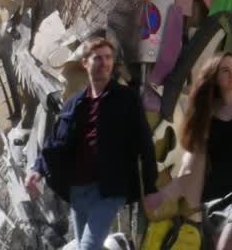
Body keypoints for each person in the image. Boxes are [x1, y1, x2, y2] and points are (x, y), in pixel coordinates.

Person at [26, 36, 160, 250]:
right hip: (78, 191)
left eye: (108, 58)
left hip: (110, 189)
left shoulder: (126, 98)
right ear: (85, 63)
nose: (104, 63)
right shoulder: (74, 104)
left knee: (88, 247)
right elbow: (55, 142)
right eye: (98, 58)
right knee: (84, 247)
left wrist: (151, 187)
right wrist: (37, 169)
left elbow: (144, 142)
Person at [145, 52, 232, 250]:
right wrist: (163, 196)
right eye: (225, 70)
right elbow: (191, 167)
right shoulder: (207, 115)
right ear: (214, 78)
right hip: (215, 196)